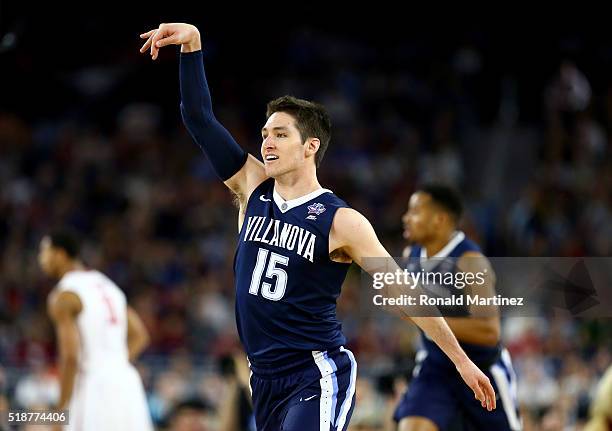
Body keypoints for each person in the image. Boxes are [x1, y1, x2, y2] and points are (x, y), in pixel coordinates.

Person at [139, 23, 496, 431]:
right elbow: (199, 118)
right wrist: (192, 45)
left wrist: (462, 361)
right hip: (264, 379)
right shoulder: (253, 184)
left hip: (317, 373)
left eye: (280, 134)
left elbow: (404, 292)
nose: (266, 143)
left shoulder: (341, 220)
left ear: (310, 147)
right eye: (264, 134)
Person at [394, 185, 521, 431]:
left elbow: (489, 332)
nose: (406, 217)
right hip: (436, 368)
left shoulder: (471, 262)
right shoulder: (412, 255)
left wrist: (423, 316)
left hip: (481, 368)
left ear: (439, 220)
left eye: (415, 212)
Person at [38, 230, 153, 430]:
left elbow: (70, 356)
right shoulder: (108, 285)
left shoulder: (64, 295)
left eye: (45, 253)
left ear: (61, 254)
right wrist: (115, 364)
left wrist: (60, 412)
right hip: (127, 384)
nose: (41, 260)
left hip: (93, 387)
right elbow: (140, 335)